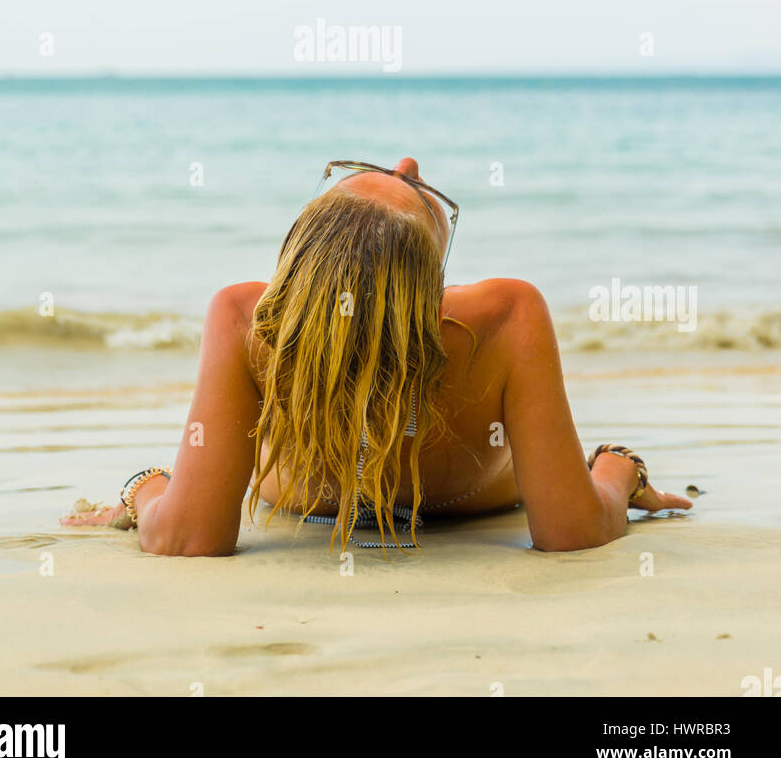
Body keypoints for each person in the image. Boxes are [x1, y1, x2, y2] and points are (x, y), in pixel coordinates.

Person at [61, 157, 692, 554]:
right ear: (426, 281)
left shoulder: (246, 318)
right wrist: (618, 469)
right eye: (415, 192)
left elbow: (184, 537)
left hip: (302, 504)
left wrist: (146, 489)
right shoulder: (506, 315)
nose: (407, 160)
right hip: (479, 503)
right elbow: (573, 531)